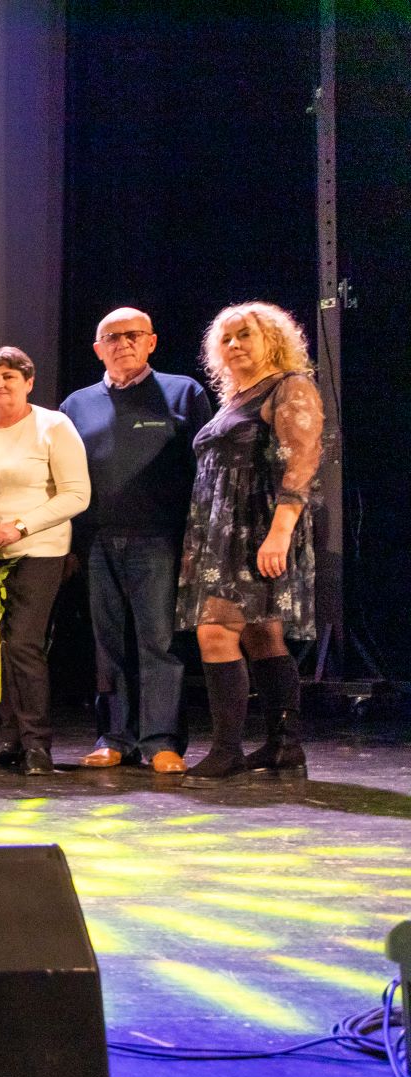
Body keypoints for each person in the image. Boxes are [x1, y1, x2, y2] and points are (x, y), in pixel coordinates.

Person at [177, 302, 325, 787]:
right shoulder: (237, 396)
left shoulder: (290, 386)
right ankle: (285, 746)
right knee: (262, 634)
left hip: (258, 527)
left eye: (246, 335)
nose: (235, 344)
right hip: (223, 529)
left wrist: (280, 531)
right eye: (227, 338)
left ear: (273, 340)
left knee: (215, 632)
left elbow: (302, 461)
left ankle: (226, 750)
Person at [60, 307, 212, 775]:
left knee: (159, 643)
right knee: (108, 645)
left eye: (133, 335)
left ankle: (162, 741)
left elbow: (203, 474)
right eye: (112, 336)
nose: (122, 343)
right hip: (96, 542)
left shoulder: (183, 392)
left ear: (151, 341)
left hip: (160, 539)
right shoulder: (75, 406)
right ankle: (114, 737)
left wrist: (196, 540)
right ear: (97, 348)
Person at [0, 347, 92, 776]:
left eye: (9, 377)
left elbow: (76, 494)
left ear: (29, 382)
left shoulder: (53, 425)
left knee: (22, 645)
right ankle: (11, 739)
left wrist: (20, 526)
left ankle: (38, 744)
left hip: (38, 551)